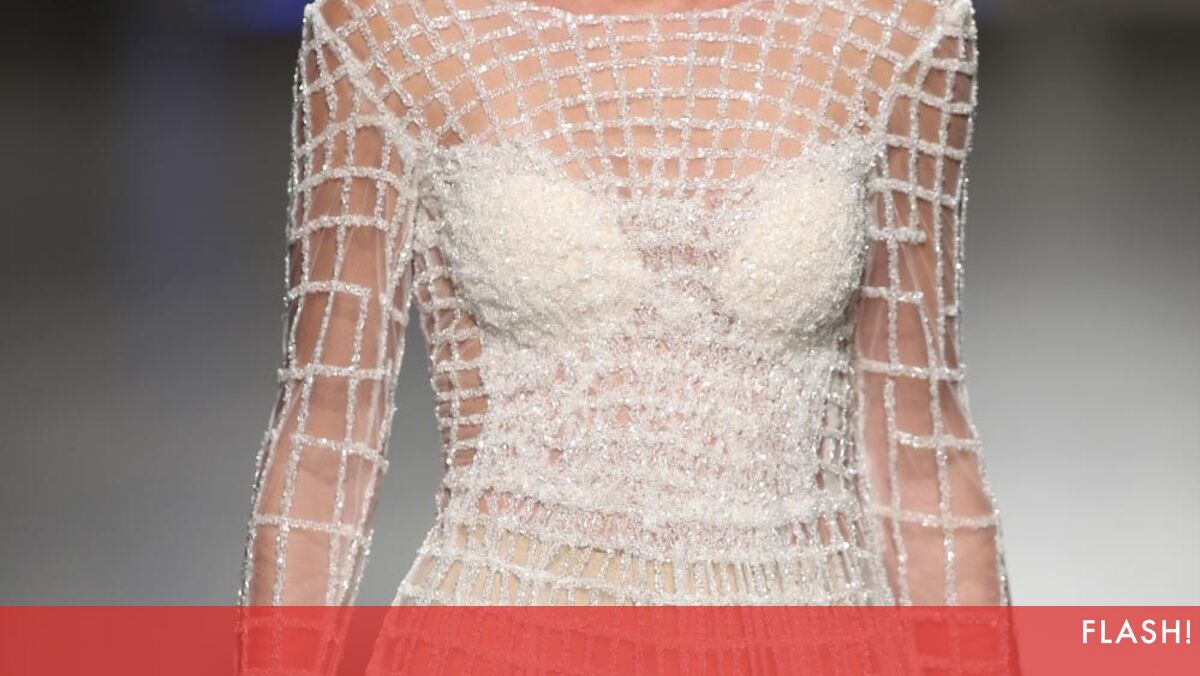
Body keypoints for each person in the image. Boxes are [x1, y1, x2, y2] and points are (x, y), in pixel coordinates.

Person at [238, 0, 1014, 671]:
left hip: (810, 639)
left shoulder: (896, 28)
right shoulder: (392, 27)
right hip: (499, 637)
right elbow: (326, 436)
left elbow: (921, 449)